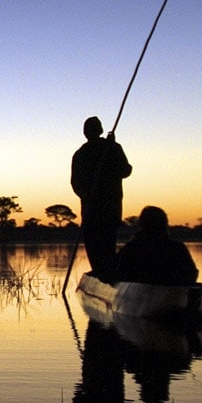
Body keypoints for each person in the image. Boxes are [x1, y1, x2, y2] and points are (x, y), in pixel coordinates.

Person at [70, 116, 132, 282]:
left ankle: (106, 275)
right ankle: (103, 275)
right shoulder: (86, 153)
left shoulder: (108, 149)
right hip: (97, 208)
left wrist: (112, 150)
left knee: (101, 243)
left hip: (104, 208)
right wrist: (86, 195)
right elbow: (76, 183)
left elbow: (124, 171)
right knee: (101, 243)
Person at [116, 206, 199, 285]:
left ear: (141, 225)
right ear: (164, 224)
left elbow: (121, 275)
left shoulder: (131, 248)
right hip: (171, 293)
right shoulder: (177, 248)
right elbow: (191, 275)